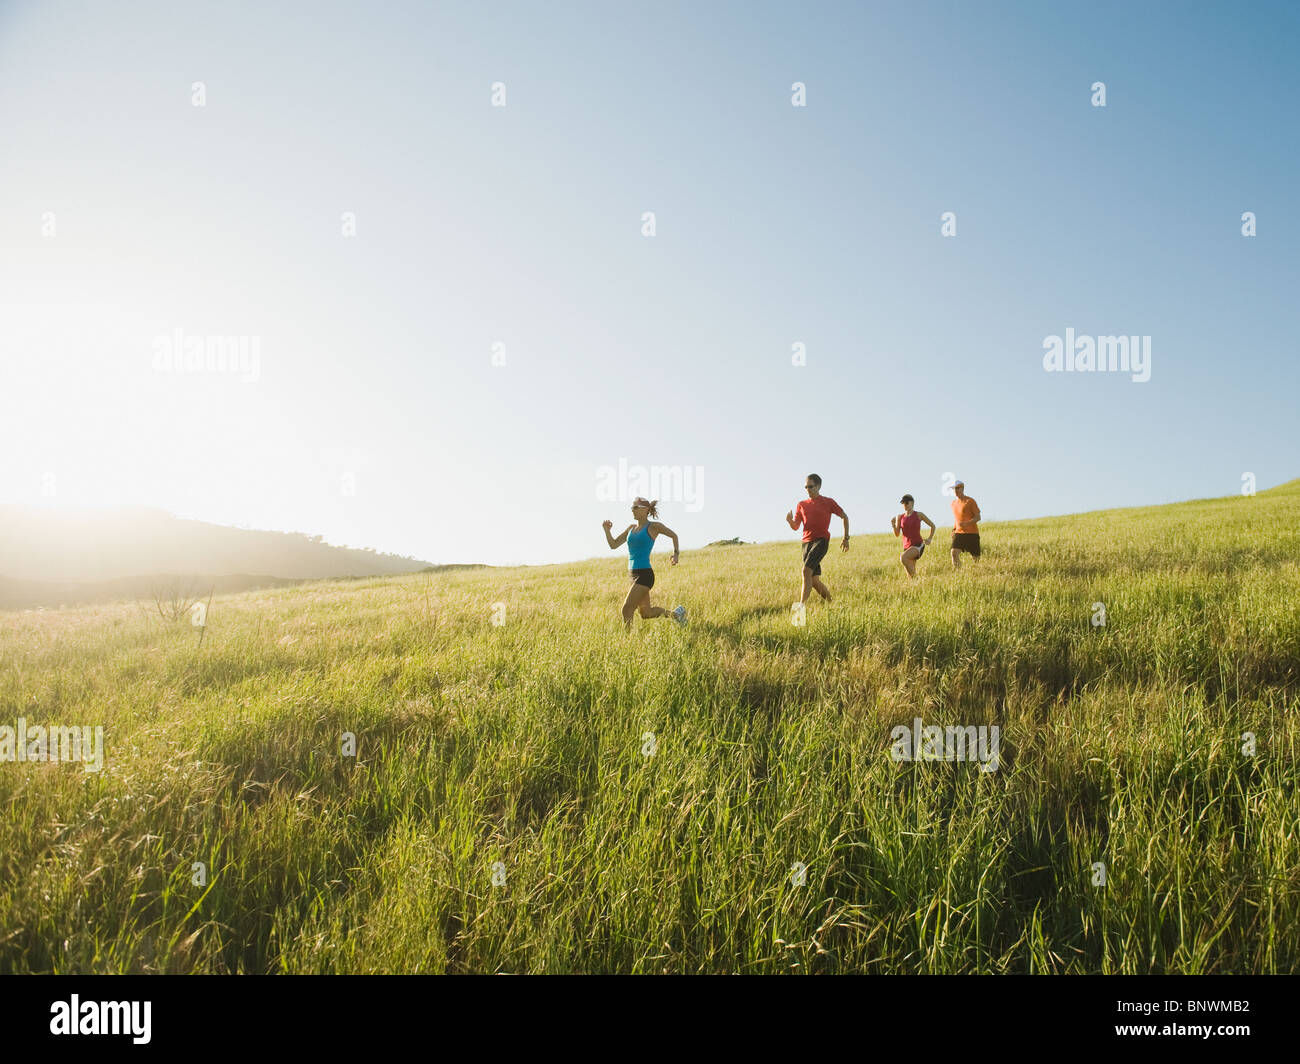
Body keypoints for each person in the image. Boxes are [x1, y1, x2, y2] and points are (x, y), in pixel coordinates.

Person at [602, 498, 687, 630]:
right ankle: (677, 615)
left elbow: (674, 535)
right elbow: (613, 545)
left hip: (644, 575)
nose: (632, 510)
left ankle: (627, 642)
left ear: (645, 509)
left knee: (627, 608)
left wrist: (676, 554)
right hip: (632, 574)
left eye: (635, 507)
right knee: (646, 613)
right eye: (632, 508)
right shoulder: (631, 528)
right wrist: (607, 530)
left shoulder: (653, 527)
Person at [785, 473, 849, 607]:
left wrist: (845, 538)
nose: (808, 489)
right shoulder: (801, 504)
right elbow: (796, 526)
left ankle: (801, 607)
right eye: (806, 487)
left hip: (821, 541)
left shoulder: (828, 502)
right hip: (806, 544)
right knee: (813, 580)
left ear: (819, 486)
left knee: (805, 571)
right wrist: (790, 521)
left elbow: (845, 517)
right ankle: (832, 604)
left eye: (811, 486)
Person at [891, 494, 935, 580]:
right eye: (903, 503)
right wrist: (893, 525)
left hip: (918, 545)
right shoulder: (900, 517)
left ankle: (917, 579)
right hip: (906, 547)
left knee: (903, 558)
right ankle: (917, 584)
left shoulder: (919, 515)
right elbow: (897, 534)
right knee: (910, 575)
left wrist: (929, 538)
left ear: (912, 503)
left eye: (907, 503)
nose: (905, 505)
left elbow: (933, 526)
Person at [949, 478, 981, 568]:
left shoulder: (970, 501)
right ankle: (958, 572)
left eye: (957, 488)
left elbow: (978, 517)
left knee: (976, 559)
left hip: (972, 534)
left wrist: (967, 523)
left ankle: (976, 574)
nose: (956, 490)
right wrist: (954, 529)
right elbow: (956, 518)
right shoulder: (953, 503)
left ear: (962, 488)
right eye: (954, 489)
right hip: (959, 533)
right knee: (954, 553)